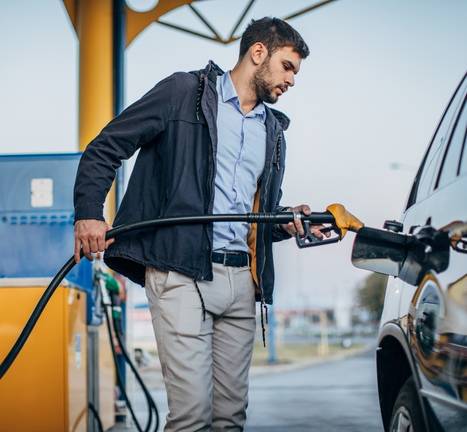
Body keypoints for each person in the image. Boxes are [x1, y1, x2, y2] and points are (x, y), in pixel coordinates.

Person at [74, 17, 327, 431]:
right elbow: (105, 147)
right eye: (288, 66)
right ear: (258, 52)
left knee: (230, 419)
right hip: (180, 269)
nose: (292, 81)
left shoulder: (273, 132)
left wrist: (290, 223)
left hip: (242, 281)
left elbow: (259, 214)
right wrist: (88, 212)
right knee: (191, 416)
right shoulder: (183, 93)